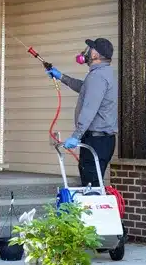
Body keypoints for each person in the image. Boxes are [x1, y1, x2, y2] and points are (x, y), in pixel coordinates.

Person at [46, 38, 118, 187]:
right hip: (102, 141)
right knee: (93, 183)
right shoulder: (103, 73)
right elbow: (84, 87)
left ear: (95, 55)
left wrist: (76, 136)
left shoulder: (98, 77)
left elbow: (89, 109)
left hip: (96, 140)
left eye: (90, 49)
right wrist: (61, 77)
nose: (86, 51)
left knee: (91, 186)